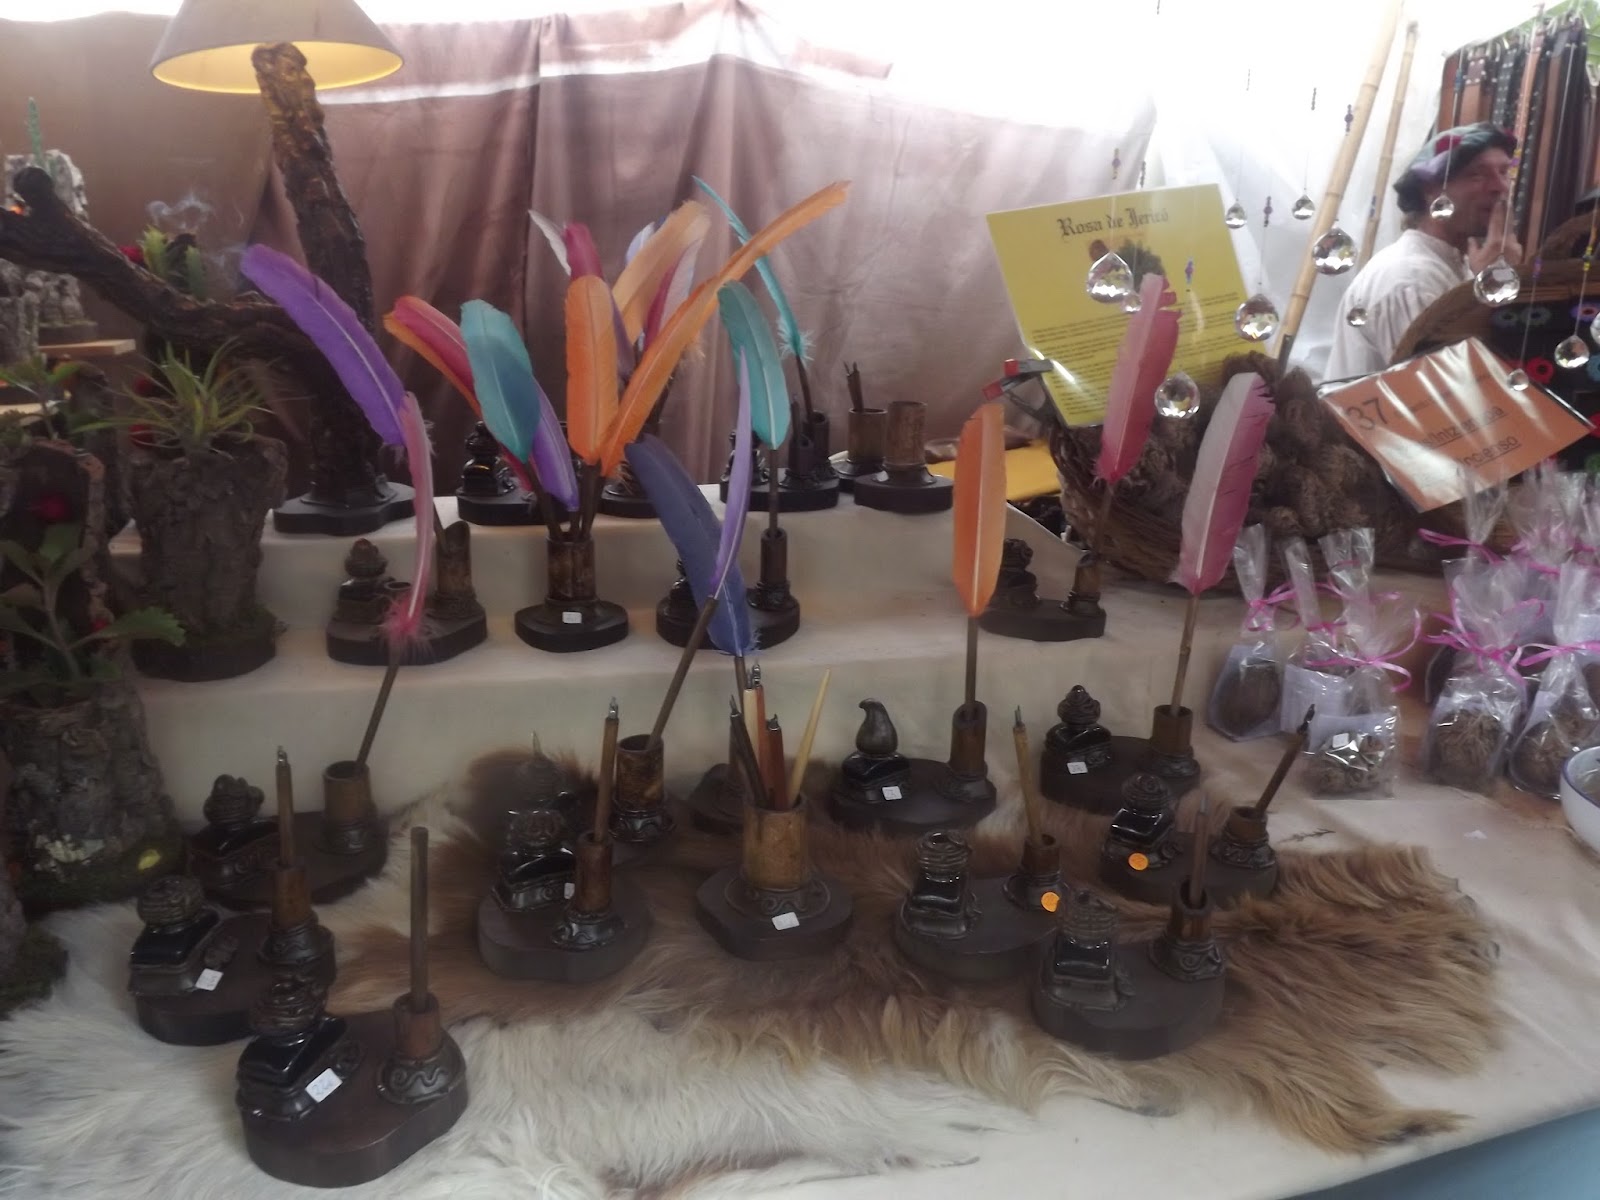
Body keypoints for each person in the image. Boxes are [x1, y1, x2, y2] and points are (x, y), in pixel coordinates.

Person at [1325, 123, 1522, 381]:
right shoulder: (1411, 279)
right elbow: (1442, 387)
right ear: (1430, 189)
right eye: (1476, 175)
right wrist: (1492, 288)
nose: (1500, 187)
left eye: (1504, 172)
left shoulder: (1456, 263)